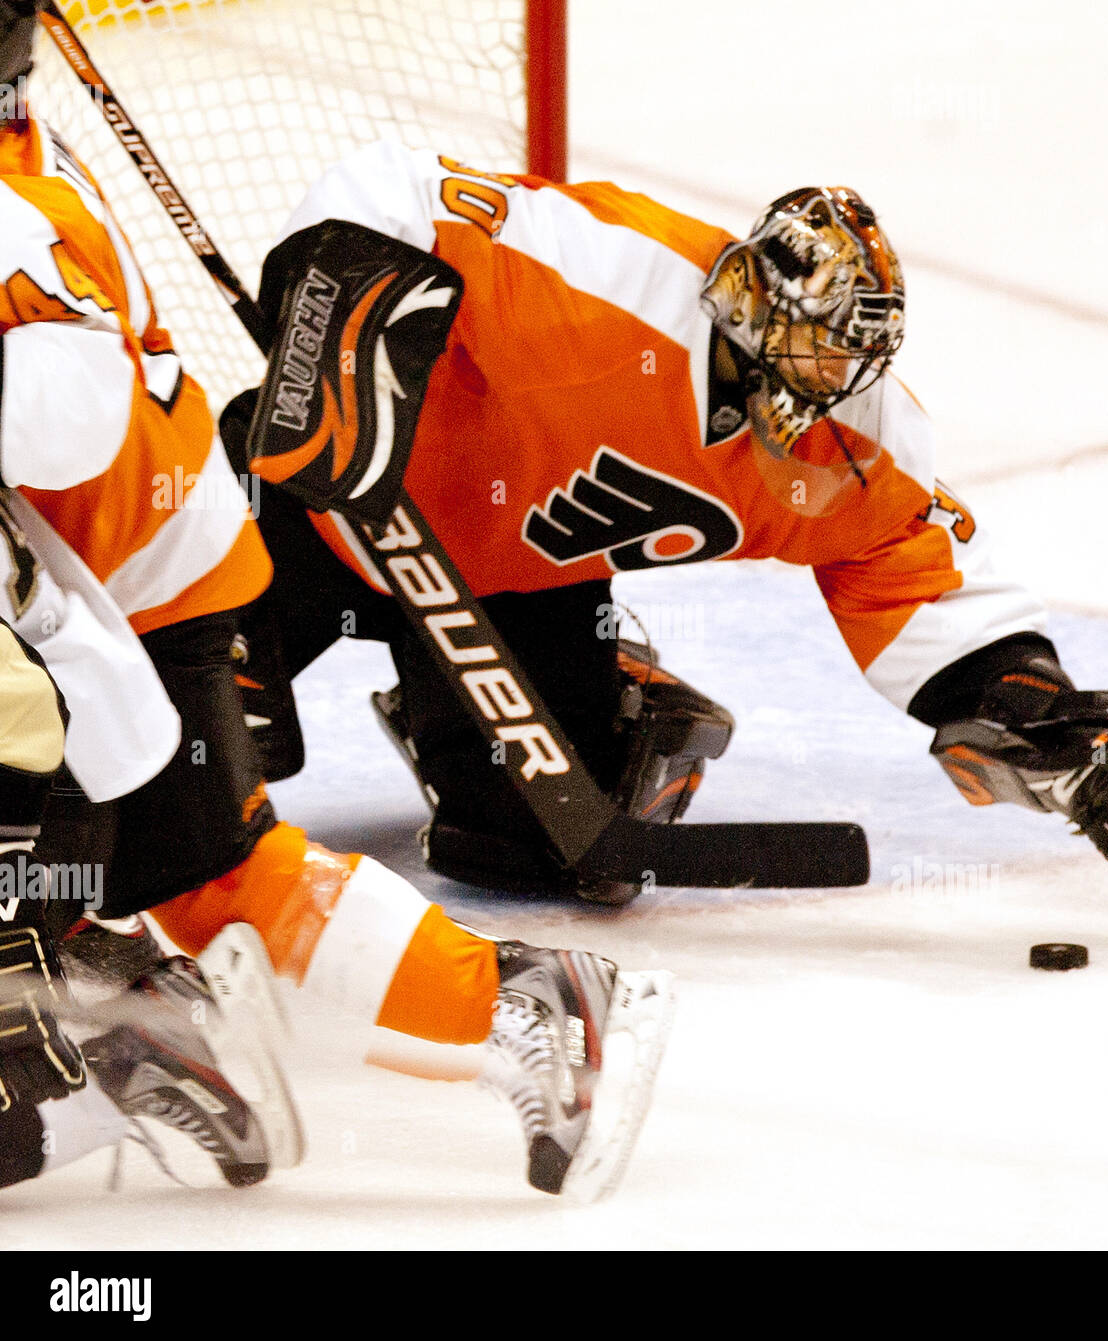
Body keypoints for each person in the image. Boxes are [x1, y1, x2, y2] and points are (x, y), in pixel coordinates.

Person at [0, 0, 672, 1200]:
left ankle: (138, 1022)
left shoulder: (13, 211)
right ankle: (138, 1007)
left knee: (179, 871)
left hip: (130, 593)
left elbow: (72, 407)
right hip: (112, 581)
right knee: (188, 868)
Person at [220, 143, 1108, 905]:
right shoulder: (611, 279)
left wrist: (1039, 714)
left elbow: (909, 562)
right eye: (807, 348)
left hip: (499, 588)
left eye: (843, 359)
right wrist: (334, 326)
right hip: (314, 503)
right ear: (745, 296)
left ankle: (619, 697)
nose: (822, 384)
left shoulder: (853, 446)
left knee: (536, 858)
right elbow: (387, 185)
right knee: (190, 754)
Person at [0, 617, 280, 1190]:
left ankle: (125, 1064)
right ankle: (136, 994)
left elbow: (16, 697)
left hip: (51, 785)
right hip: (76, 760)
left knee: (10, 1141)